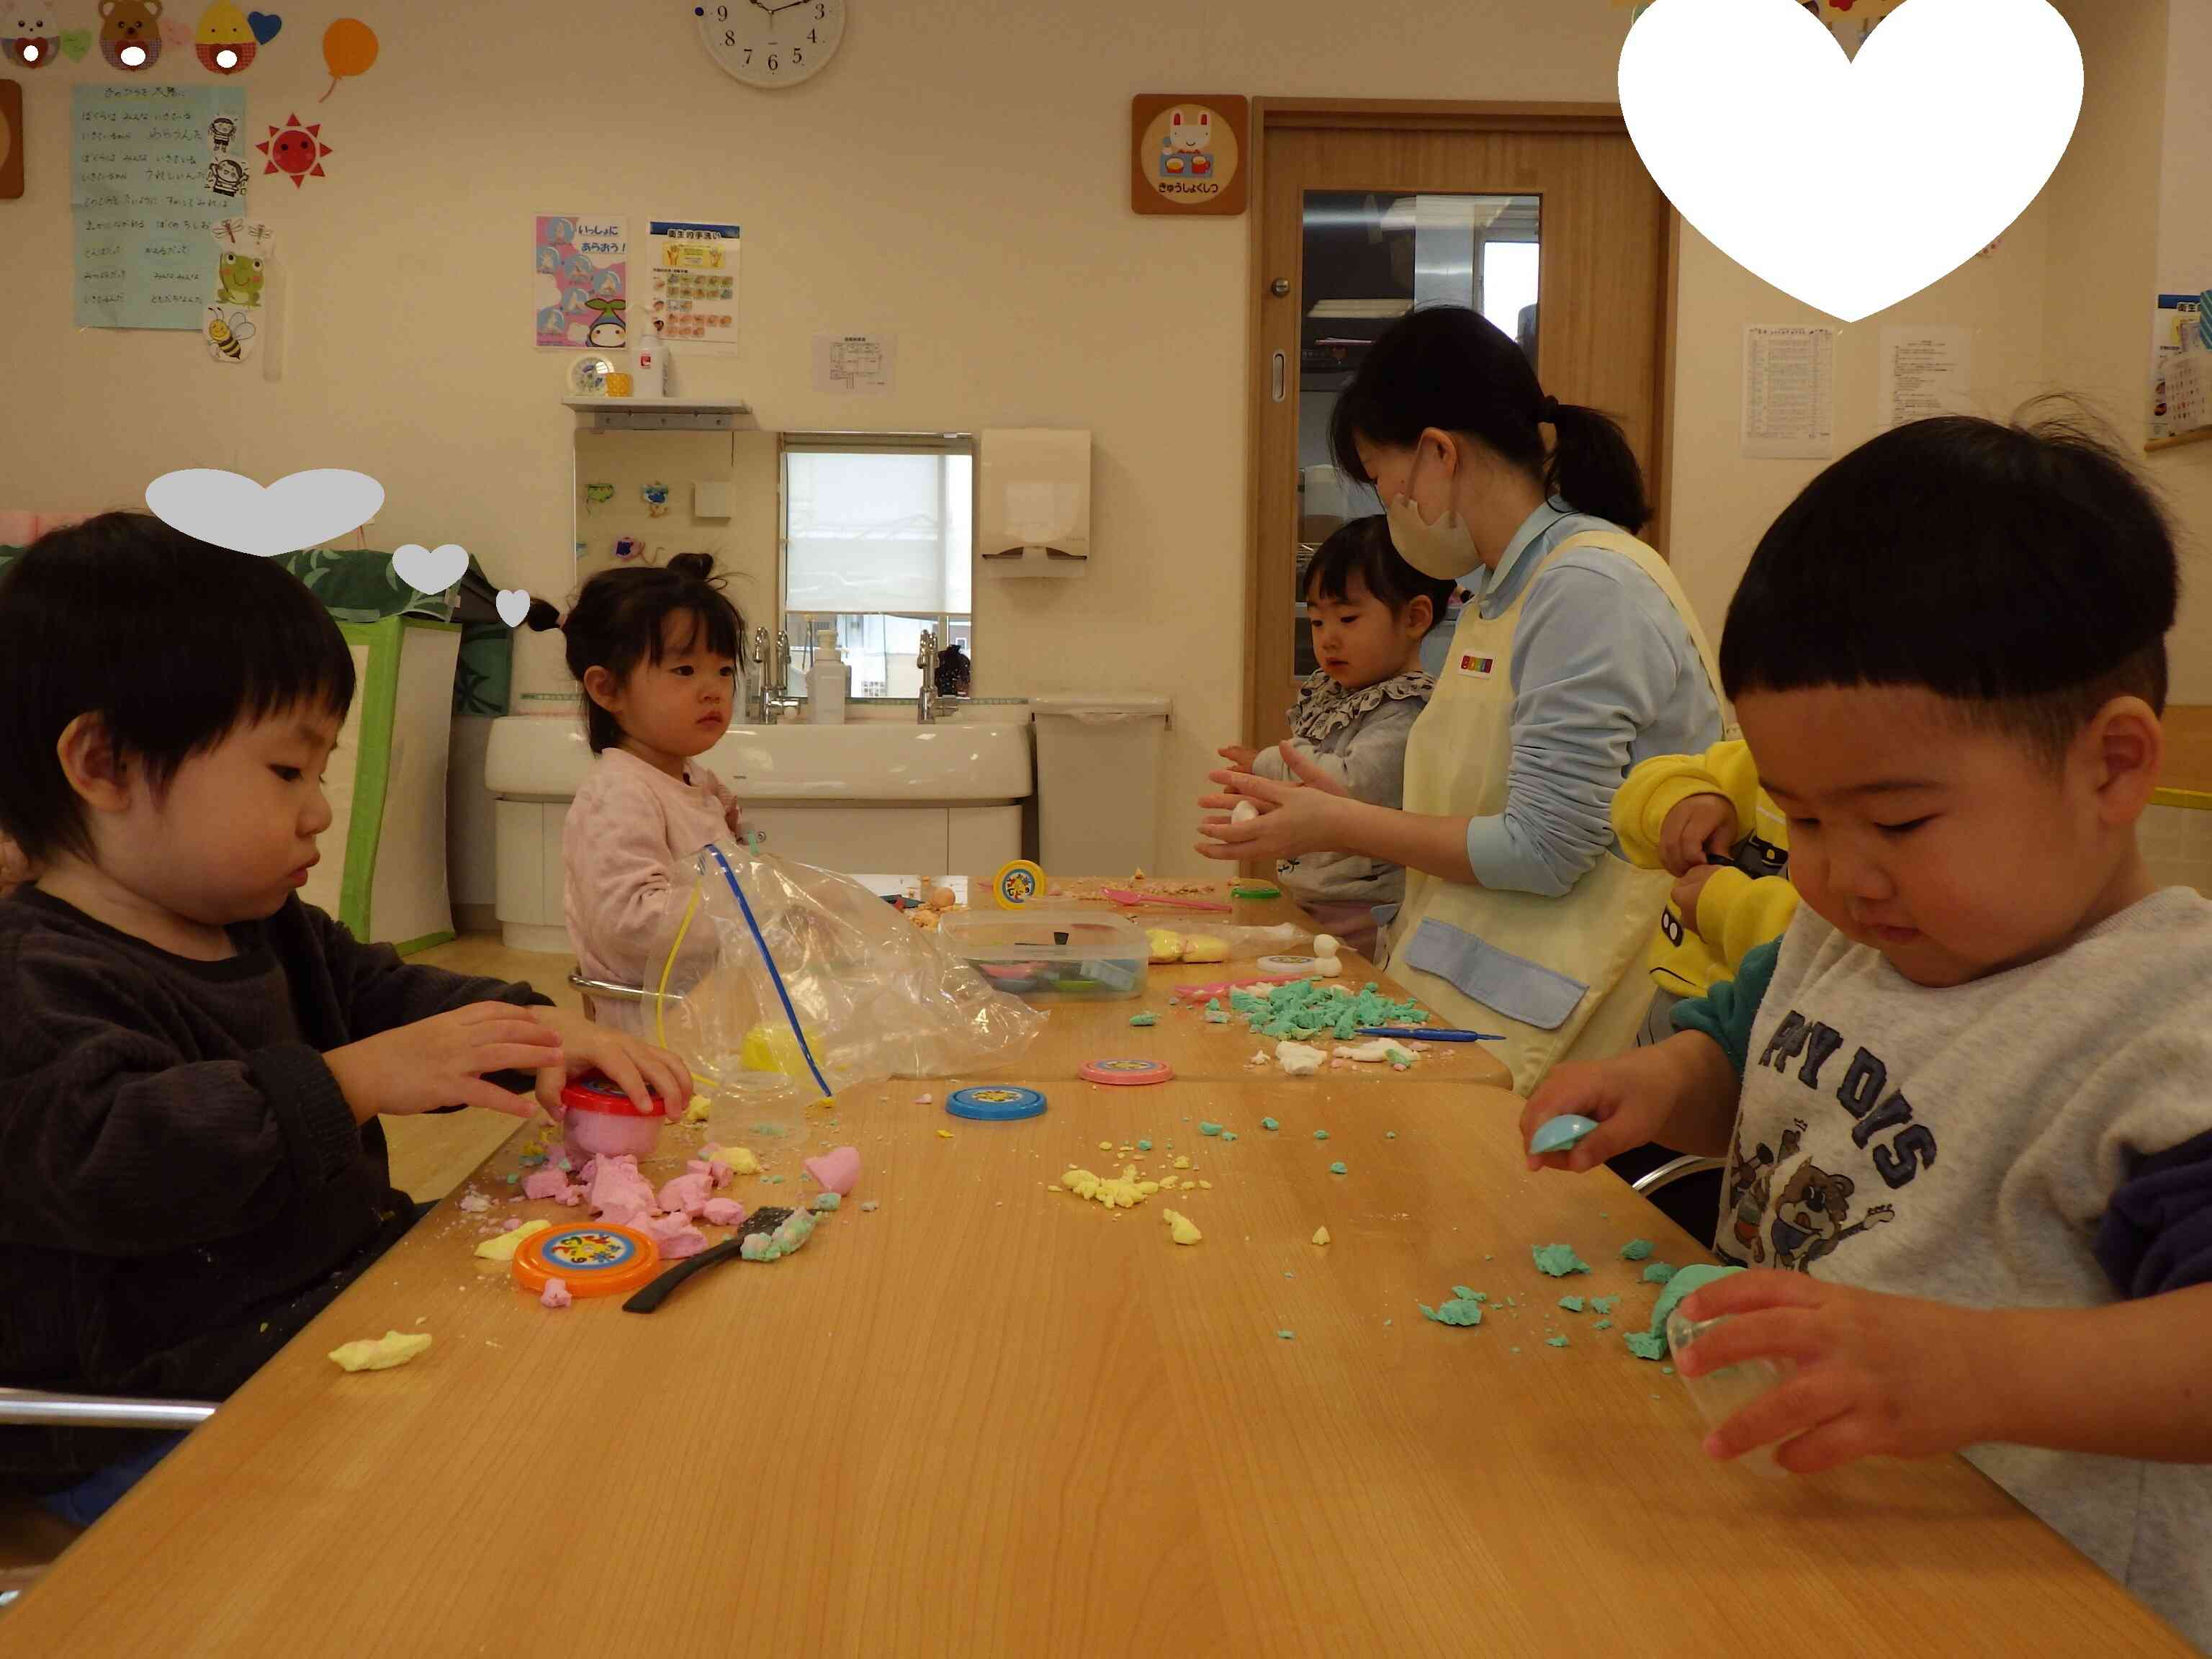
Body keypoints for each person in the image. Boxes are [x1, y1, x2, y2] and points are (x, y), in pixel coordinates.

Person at [1519, 410, 2212, 1649]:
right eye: (1801, 819)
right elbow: (1748, 1051)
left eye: (1893, 823)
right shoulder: (1854, 934)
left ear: (2110, 768)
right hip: (1794, 1538)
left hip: (2025, 1594)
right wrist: (1653, 1077)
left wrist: (1978, 1371)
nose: (1838, 874)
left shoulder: (2163, 1030)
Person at [0, 515, 686, 1525]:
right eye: (287, 771)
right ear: (102, 764)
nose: (320, 809)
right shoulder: (32, 977)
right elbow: (119, 1159)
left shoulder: (265, 925)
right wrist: (352, 1081)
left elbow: (388, 995)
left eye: (321, 772)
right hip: (155, 1405)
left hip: (317, 1311)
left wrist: (539, 1030)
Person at [1200, 305, 1725, 1094]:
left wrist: (1342, 823)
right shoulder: (1492, 597)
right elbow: (1474, 796)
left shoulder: (1586, 587)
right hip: (1482, 993)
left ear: (1438, 454)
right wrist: (1339, 799)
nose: (1388, 509)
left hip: (1580, 1014)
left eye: (1384, 482)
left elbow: (1544, 851)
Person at [1221, 516, 1453, 958]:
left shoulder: (1406, 707)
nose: (1328, 639)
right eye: (1317, 623)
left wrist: (1264, 764)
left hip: (1364, 908)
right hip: (1312, 891)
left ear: (1415, 618)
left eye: (1347, 619)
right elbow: (1309, 790)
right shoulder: (1334, 695)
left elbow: (1348, 783)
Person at [537, 554, 747, 1035]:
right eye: (685, 671)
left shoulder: (690, 779)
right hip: (653, 1034)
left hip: (707, 1017)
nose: (713, 690)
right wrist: (747, 908)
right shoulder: (618, 793)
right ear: (608, 689)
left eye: (723, 670)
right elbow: (631, 926)